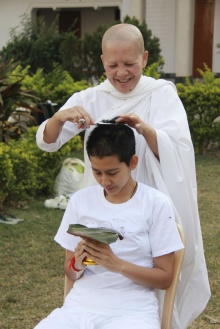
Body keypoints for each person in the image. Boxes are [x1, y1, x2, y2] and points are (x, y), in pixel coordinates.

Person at [36, 23, 210, 328]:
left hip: (153, 195)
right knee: (100, 260)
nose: (121, 72)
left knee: (151, 261)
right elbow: (48, 141)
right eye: (113, 65)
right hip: (105, 198)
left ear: (144, 58)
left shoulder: (161, 94)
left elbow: (181, 149)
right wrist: (60, 116)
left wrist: (145, 129)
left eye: (129, 64)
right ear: (102, 61)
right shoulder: (90, 97)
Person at [34, 123, 184, 329]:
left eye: (112, 172)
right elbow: (70, 271)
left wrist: (117, 264)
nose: (104, 181)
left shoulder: (155, 204)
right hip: (80, 307)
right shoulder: (80, 201)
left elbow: (164, 278)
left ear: (132, 162)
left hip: (132, 311)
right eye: (97, 172)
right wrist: (77, 264)